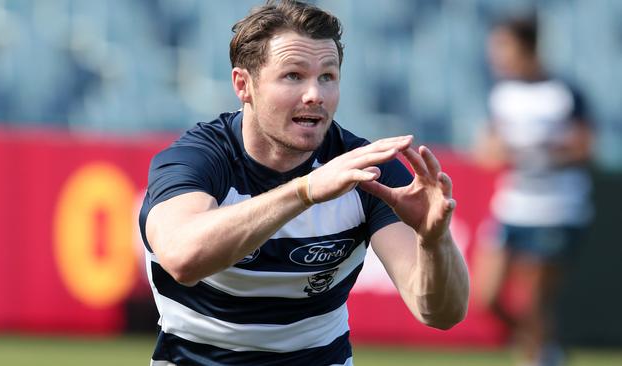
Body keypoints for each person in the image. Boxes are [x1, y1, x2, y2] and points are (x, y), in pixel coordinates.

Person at [139, 1, 469, 365]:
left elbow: (439, 314)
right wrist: (305, 191)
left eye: (327, 77)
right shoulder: (196, 159)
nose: (315, 94)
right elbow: (183, 258)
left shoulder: (367, 172)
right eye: (294, 76)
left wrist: (434, 241)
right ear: (243, 85)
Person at [473, 15, 594, 366]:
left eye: (503, 47)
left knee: (535, 301)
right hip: (513, 207)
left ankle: (538, 357)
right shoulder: (502, 94)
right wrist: (506, 151)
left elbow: (586, 148)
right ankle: (545, 350)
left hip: (558, 208)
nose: (496, 56)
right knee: (487, 296)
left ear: (526, 48)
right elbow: (487, 150)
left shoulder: (563, 92)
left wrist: (542, 152)